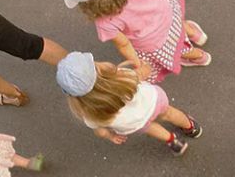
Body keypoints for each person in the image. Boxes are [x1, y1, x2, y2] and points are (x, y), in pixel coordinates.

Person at [59, 0, 210, 83]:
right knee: (178, 24)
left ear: (86, 3)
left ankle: (200, 57)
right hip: (165, 12)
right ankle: (194, 34)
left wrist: (138, 64)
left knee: (177, 48)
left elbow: (123, 44)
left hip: (154, 40)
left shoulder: (105, 23)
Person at [56, 52, 203, 156]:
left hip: (135, 123)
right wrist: (143, 65)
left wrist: (110, 136)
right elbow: (144, 72)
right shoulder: (120, 75)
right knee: (170, 113)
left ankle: (173, 141)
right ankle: (190, 127)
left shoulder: (89, 114)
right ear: (97, 68)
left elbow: (101, 131)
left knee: (151, 127)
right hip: (153, 100)